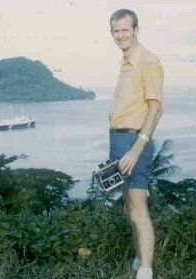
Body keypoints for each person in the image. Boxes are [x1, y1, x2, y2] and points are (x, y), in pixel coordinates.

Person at [108, 9, 163, 279]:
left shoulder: (147, 61)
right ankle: (140, 257)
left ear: (136, 30)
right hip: (120, 139)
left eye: (125, 30)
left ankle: (145, 270)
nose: (120, 35)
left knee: (138, 207)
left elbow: (155, 109)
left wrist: (137, 147)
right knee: (130, 205)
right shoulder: (125, 62)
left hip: (133, 141)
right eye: (116, 31)